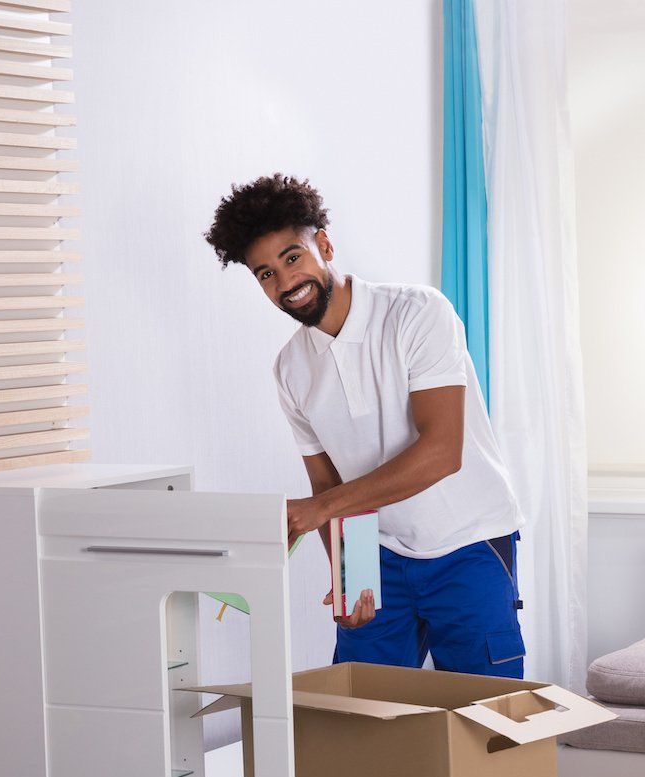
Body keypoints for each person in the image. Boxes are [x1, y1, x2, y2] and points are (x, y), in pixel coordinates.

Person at [204, 174, 526, 677]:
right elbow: (327, 482)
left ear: (324, 245)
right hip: (375, 553)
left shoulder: (417, 314)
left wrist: (316, 511)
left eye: (293, 258)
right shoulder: (291, 368)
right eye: (265, 274)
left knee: (484, 724)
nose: (286, 282)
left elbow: (442, 450)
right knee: (364, 721)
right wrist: (348, 570)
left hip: (468, 544)